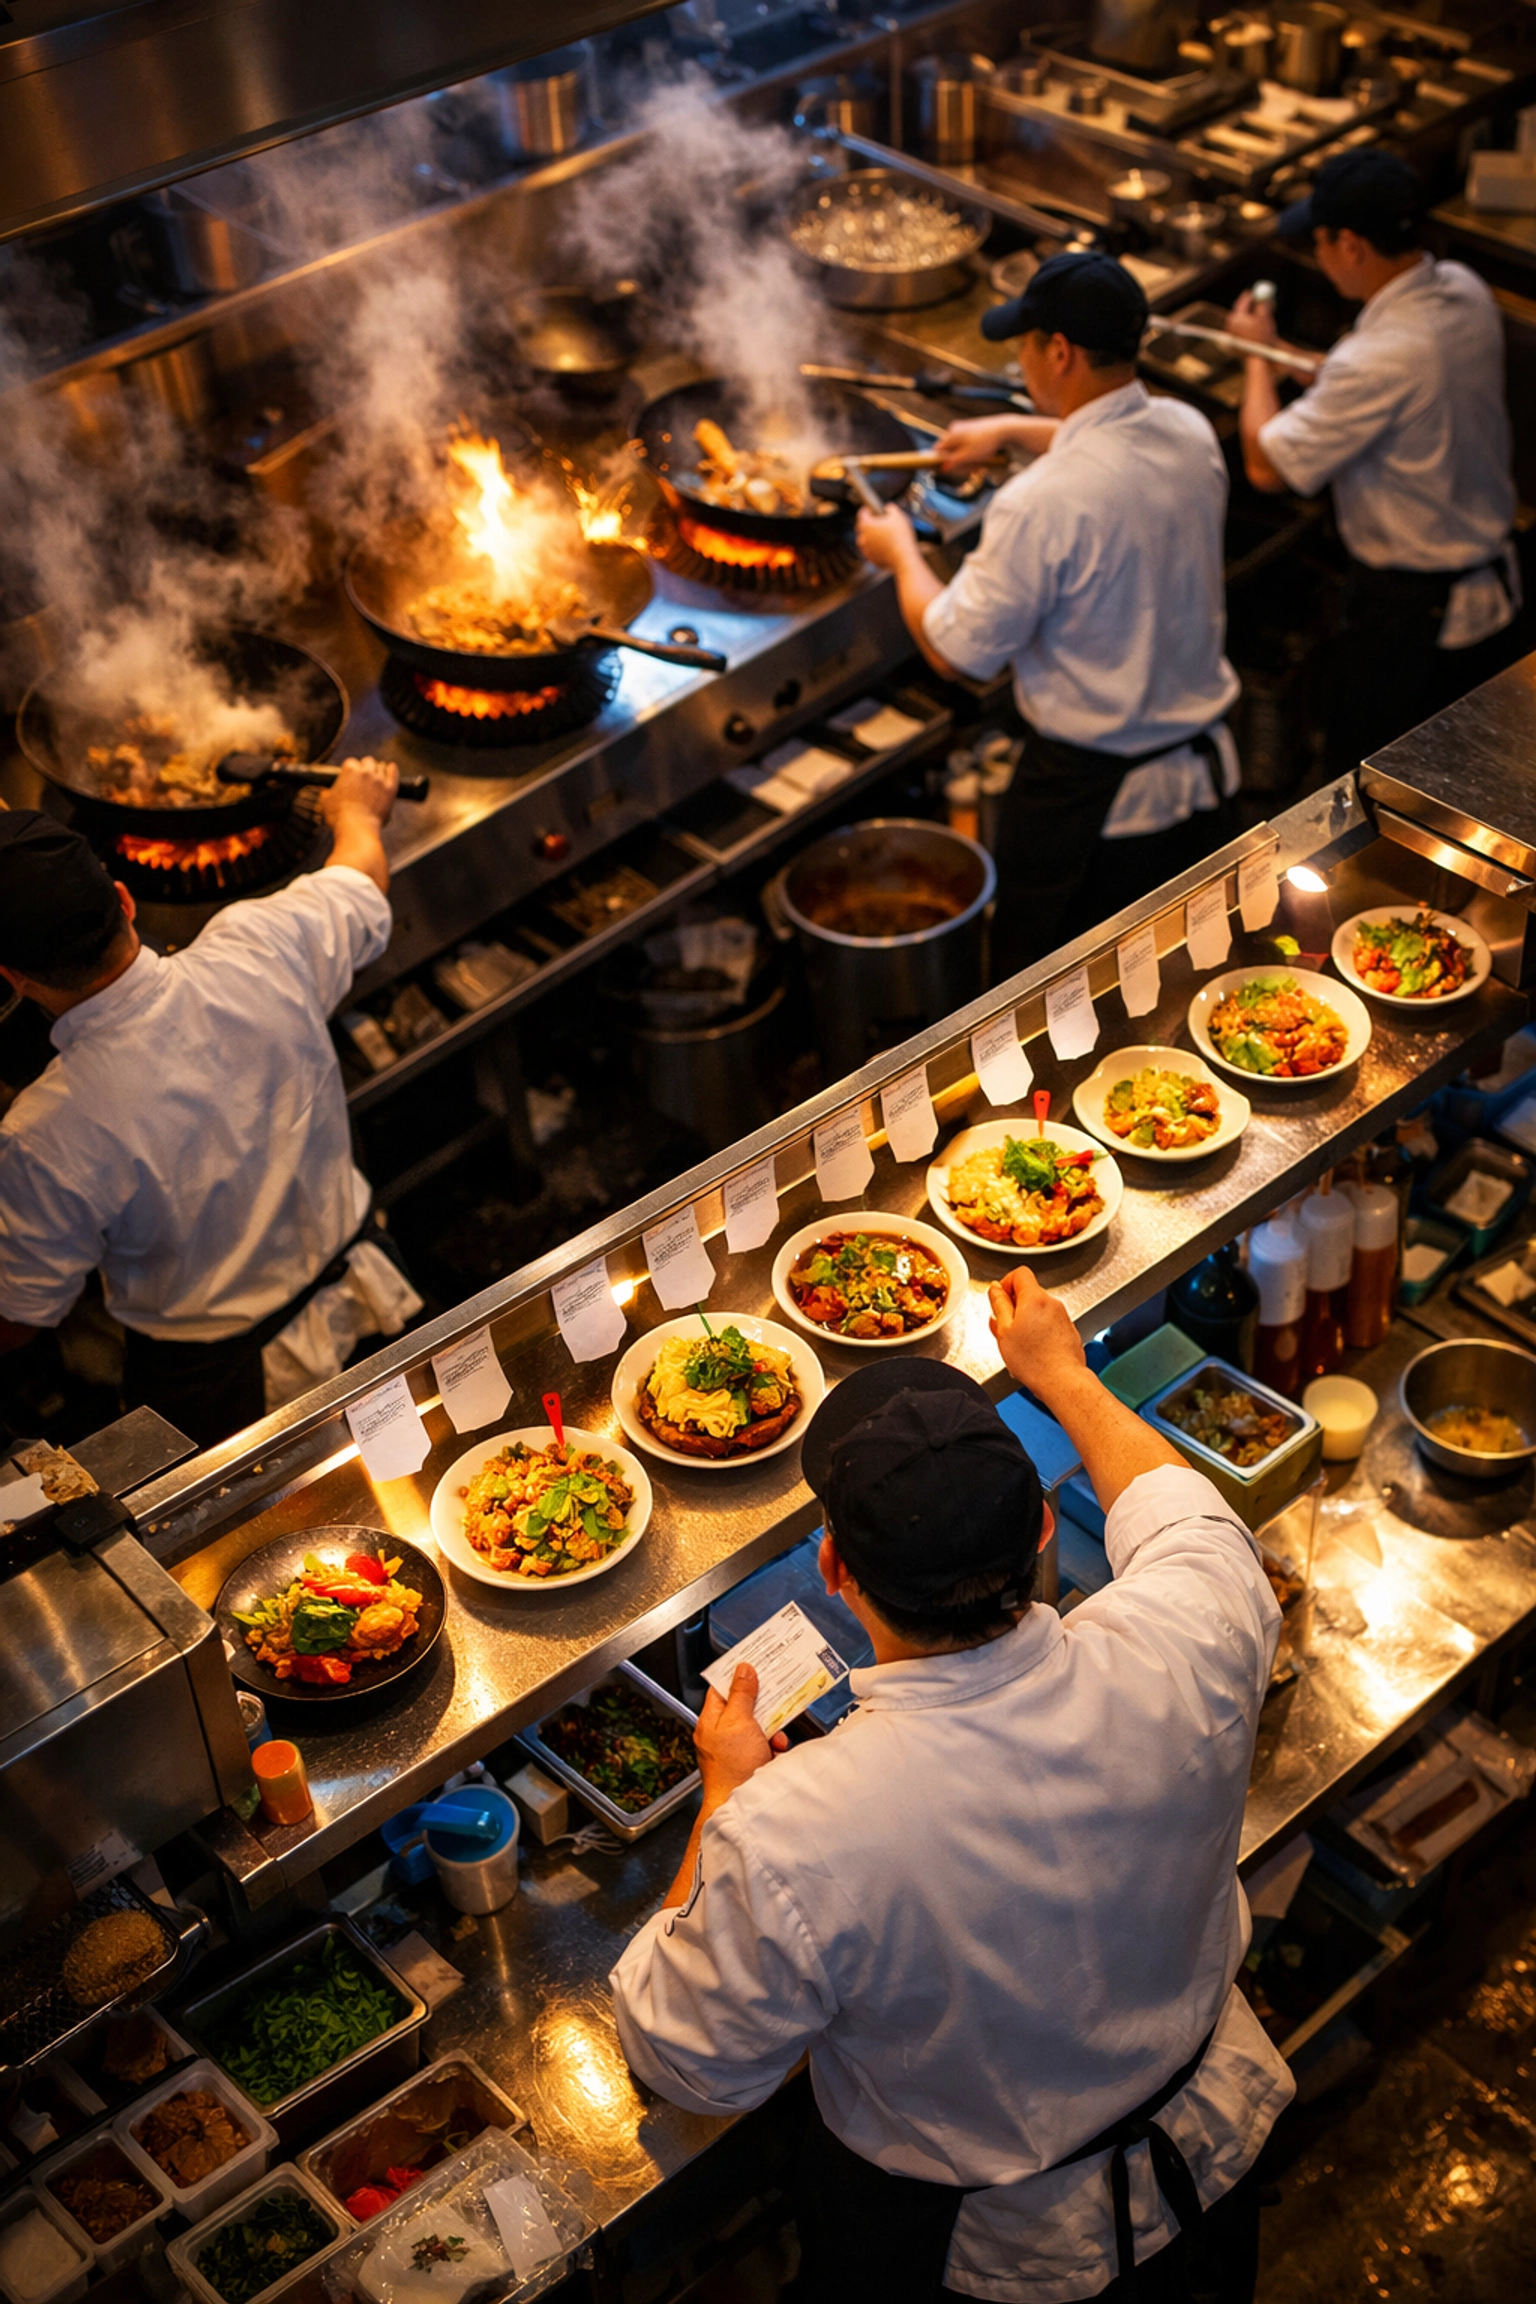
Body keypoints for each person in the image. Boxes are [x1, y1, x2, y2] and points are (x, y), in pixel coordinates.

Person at [610, 1268, 1294, 2304]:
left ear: (833, 1570)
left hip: (982, 2258)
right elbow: (1181, 1515)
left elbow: (680, 2059)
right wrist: (1062, 1373)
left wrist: (723, 1793)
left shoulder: (794, 1830)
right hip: (1208, 2169)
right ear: (1042, 1533)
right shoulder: (1190, 1630)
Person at [0, 762, 422, 1447]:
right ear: (124, 899)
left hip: (218, 1395)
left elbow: (20, 1313)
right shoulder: (260, 944)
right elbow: (360, 881)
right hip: (371, 1301)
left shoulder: (45, 1131)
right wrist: (360, 813)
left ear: (13, 979)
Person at [855, 250, 1240, 978]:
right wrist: (1008, 429)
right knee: (1185, 987)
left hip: (1095, 817)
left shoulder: (1041, 502)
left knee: (1056, 1014)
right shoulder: (1188, 432)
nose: (1022, 360)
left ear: (1057, 351)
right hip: (1207, 786)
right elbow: (1109, 442)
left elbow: (953, 650)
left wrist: (899, 551)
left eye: (1025, 346)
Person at [1230, 147, 1522, 773]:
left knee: (1379, 784)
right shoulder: (1459, 290)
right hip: (1494, 594)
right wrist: (1279, 349)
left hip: (1416, 624)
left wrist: (1252, 357)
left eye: (1321, 241)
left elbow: (1264, 464)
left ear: (1351, 244)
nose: (1320, 255)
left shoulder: (1384, 354)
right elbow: (1357, 382)